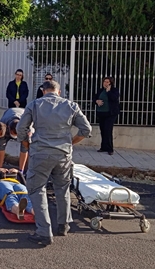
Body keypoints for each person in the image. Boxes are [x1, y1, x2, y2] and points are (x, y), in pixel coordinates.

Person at [17, 80, 92, 246]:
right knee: (62, 188)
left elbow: (21, 129)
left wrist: (26, 144)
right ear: (58, 92)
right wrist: (71, 142)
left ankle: (44, 232)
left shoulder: (35, 105)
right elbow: (86, 129)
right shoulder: (71, 105)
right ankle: (63, 225)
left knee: (37, 189)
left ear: (44, 91)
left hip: (40, 153)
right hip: (63, 154)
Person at [0, 108, 31, 173]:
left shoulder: (25, 126)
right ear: (9, 128)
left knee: (31, 148)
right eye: (13, 134)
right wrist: (0, 169)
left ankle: (26, 172)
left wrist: (21, 171)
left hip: (21, 114)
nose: (15, 137)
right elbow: (1, 148)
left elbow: (24, 150)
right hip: (10, 113)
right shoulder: (3, 126)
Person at [93, 76, 120, 155]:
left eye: (107, 82)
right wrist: (96, 101)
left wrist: (108, 92)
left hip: (110, 113)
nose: (106, 83)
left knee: (108, 130)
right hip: (101, 112)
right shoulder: (100, 90)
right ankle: (103, 147)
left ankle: (110, 148)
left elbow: (114, 99)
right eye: (104, 82)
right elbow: (94, 98)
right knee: (103, 130)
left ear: (111, 83)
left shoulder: (114, 91)